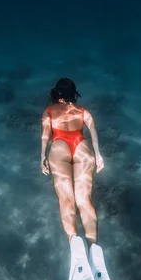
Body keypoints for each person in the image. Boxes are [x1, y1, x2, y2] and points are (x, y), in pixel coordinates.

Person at [41, 78, 104, 247]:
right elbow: (93, 133)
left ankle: (75, 244)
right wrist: (98, 156)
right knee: (84, 200)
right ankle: (93, 247)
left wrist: (42, 156)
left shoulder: (49, 111)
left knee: (66, 200)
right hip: (82, 147)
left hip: (60, 146)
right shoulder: (84, 112)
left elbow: (46, 135)